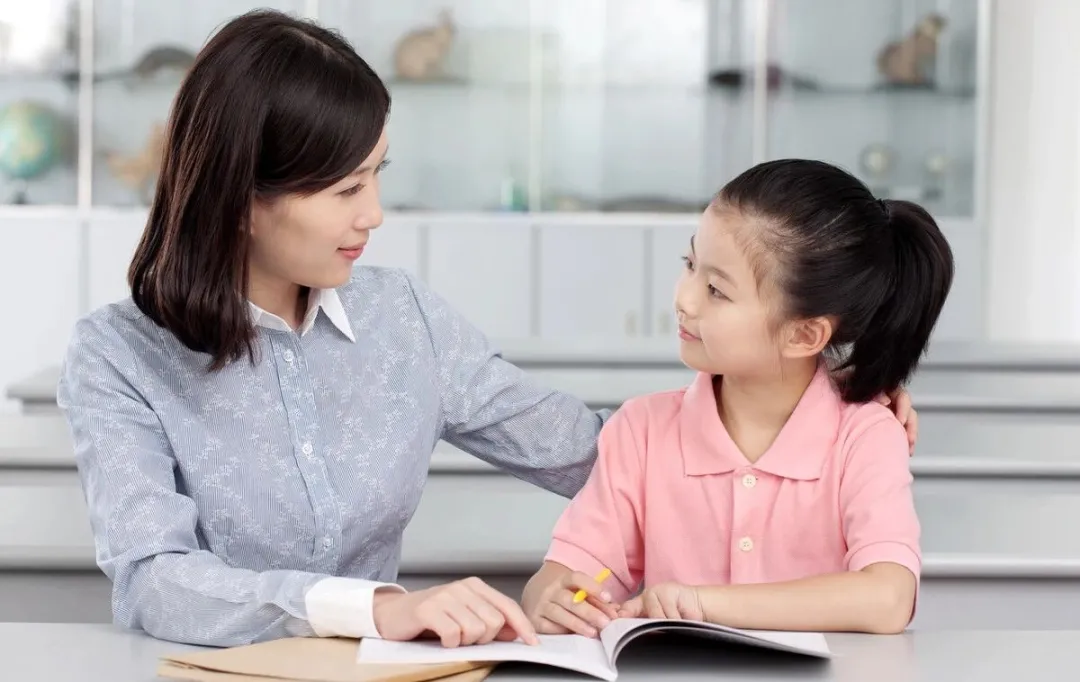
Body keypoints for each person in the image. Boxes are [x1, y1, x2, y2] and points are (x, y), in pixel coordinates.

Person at [55, 10, 920, 650]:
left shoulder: (404, 319)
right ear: (244, 195)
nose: (377, 214)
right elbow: (155, 581)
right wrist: (377, 607)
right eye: (346, 191)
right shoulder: (118, 356)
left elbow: (602, 455)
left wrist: (818, 389)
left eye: (377, 177)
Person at [522, 159, 953, 637]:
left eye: (715, 290)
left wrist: (703, 603)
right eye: (689, 265)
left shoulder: (866, 436)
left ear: (804, 334)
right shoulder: (640, 430)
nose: (684, 299)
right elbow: (562, 574)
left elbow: (888, 599)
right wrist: (551, 598)